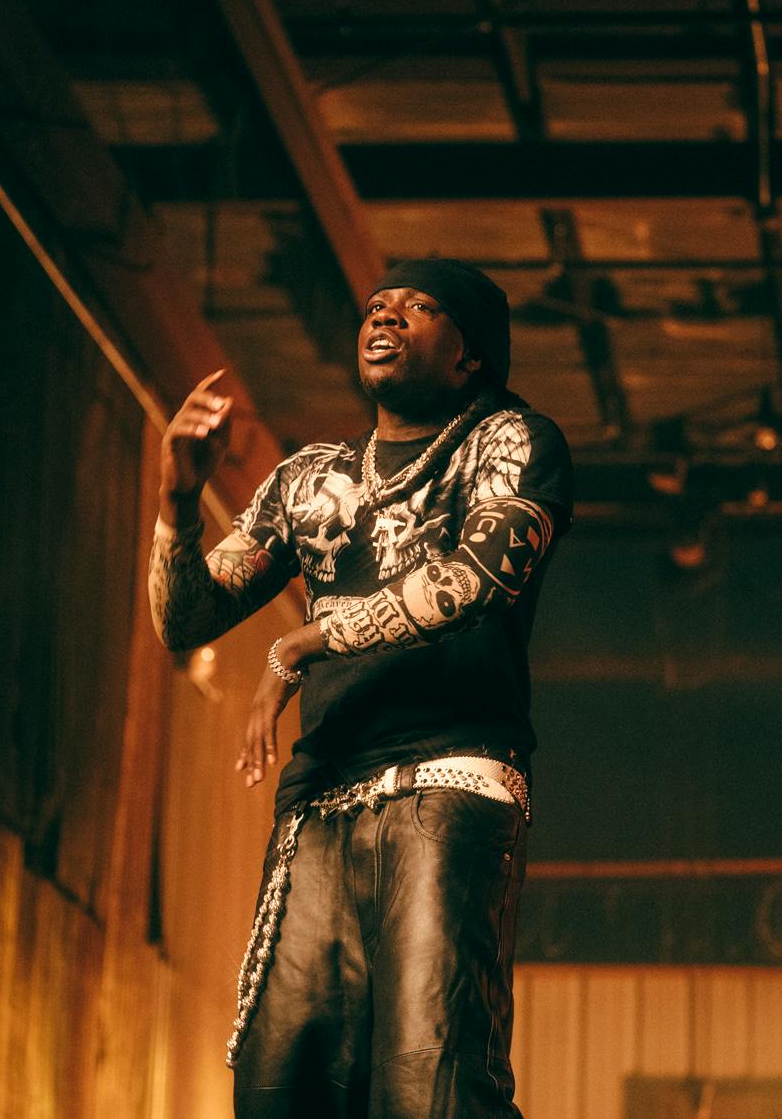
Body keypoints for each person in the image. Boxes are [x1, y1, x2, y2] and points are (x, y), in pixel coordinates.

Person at [148, 257, 572, 1118]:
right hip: (317, 807)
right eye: (378, 305)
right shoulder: (311, 478)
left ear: (470, 354)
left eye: (419, 307)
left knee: (431, 1083)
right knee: (280, 1087)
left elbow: (478, 576)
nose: (386, 316)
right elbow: (184, 618)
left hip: (450, 784)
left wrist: (308, 640)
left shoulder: (510, 440)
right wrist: (178, 501)